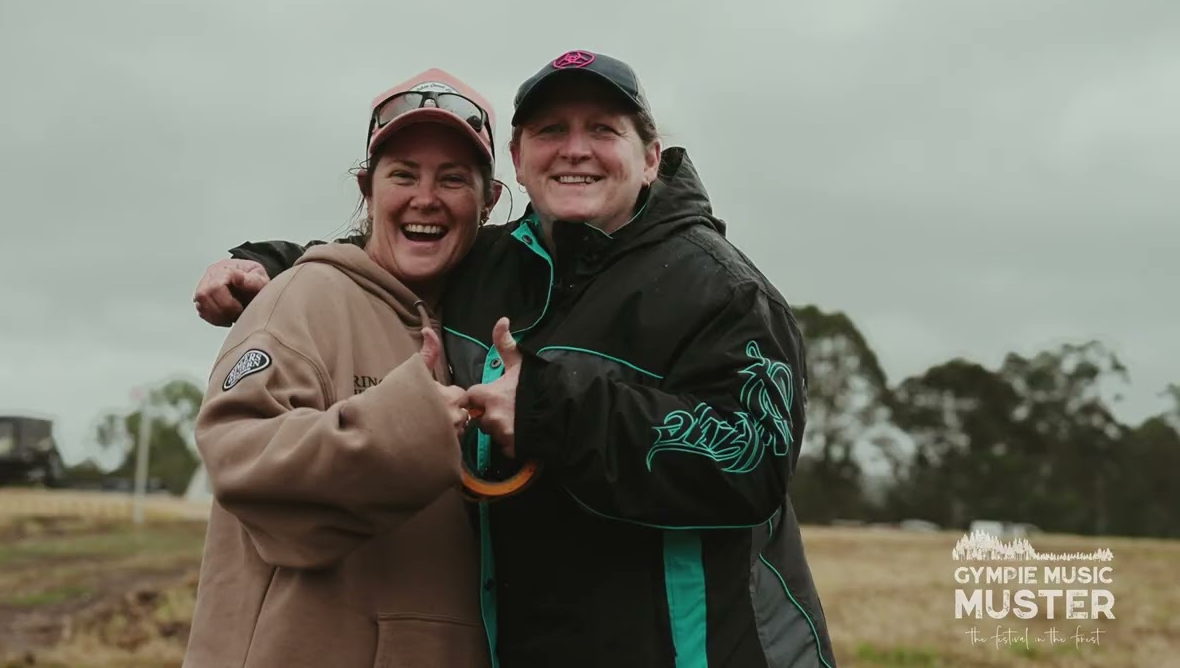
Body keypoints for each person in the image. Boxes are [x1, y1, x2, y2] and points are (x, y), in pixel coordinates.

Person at [194, 51, 836, 668]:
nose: (575, 149)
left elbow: (749, 462)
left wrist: (548, 407)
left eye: (602, 130)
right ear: (521, 163)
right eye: (552, 129)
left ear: (650, 159)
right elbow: (386, 251)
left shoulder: (722, 290)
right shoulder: (490, 269)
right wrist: (270, 264)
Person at [182, 68, 503, 668]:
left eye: (453, 179)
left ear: (489, 203)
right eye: (403, 175)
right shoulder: (301, 298)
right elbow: (238, 458)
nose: (425, 198)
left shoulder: (488, 321)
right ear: (367, 189)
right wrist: (405, 424)